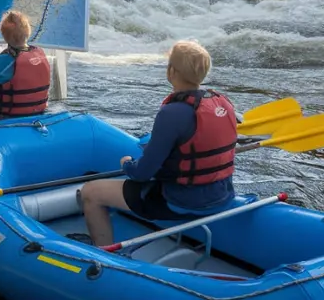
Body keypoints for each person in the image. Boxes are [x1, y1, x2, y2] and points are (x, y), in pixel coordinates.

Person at [79, 40, 237, 247]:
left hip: (180, 201)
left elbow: (142, 173)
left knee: (90, 192)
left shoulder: (172, 113)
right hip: (222, 195)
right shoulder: (223, 103)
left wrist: (127, 164)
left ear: (171, 71)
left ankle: (104, 252)